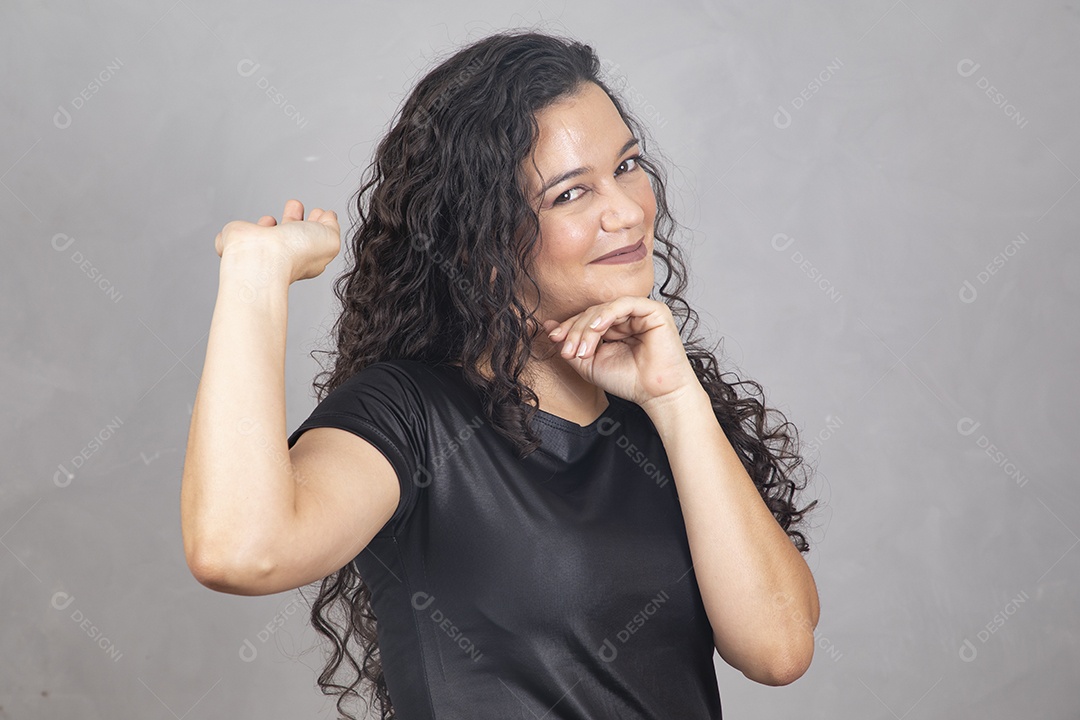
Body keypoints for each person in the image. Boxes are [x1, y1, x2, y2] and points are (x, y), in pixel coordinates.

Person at [181, 29, 819, 720]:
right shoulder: (410, 414)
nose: (628, 211)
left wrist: (675, 400)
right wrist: (255, 276)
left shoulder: (667, 403)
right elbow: (239, 551)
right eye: (572, 194)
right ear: (481, 237)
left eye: (628, 165)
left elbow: (778, 649)